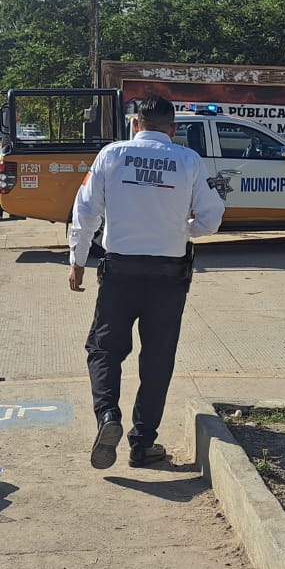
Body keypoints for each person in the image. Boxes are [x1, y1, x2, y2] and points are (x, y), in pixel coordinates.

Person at [68, 95, 224, 470]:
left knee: (104, 350)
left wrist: (77, 260)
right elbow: (212, 216)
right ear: (172, 129)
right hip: (169, 276)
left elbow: (86, 210)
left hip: (119, 271)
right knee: (157, 358)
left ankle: (109, 417)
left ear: (135, 125)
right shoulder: (188, 160)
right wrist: (182, 230)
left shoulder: (112, 154)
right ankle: (142, 444)